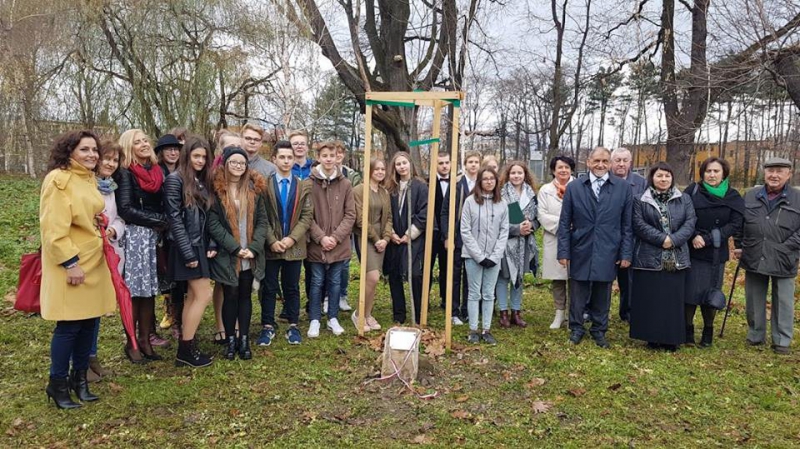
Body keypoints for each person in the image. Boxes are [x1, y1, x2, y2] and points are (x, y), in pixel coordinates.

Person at [40, 130, 116, 409]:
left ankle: (79, 379)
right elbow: (53, 228)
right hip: (72, 264)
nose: (92, 155)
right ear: (69, 150)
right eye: (85, 149)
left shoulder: (88, 179)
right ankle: (57, 383)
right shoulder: (59, 180)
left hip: (95, 260)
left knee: (89, 323)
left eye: (94, 150)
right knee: (70, 326)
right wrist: (70, 263)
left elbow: (86, 212)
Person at [557, 147, 633, 348]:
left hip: (609, 247)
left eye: (605, 161)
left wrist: (626, 253)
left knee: (603, 290)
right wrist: (563, 251)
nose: (601, 165)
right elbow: (564, 223)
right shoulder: (575, 187)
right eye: (597, 161)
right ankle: (576, 328)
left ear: (610, 164)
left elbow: (627, 225)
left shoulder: (622, 188)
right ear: (588, 162)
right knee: (578, 290)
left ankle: (599, 329)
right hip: (580, 245)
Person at [207, 147, 268, 360]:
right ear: (225, 164)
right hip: (229, 254)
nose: (238, 167)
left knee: (245, 295)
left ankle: (244, 338)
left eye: (242, 163)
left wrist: (253, 249)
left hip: (249, 255)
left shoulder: (254, 190)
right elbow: (213, 223)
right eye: (234, 162)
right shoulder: (217, 191)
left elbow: (262, 222)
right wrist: (234, 247)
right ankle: (230, 339)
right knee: (229, 295)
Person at [735, 157, 800, 355]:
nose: (774, 175)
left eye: (780, 171)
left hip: (784, 255)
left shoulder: (798, 198)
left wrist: (788, 247)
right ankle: (756, 334)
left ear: (789, 174)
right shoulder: (751, 195)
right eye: (771, 171)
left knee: (784, 300)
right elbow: (740, 222)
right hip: (754, 252)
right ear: (765, 173)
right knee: (754, 298)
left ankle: (781, 340)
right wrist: (739, 245)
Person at [630, 162, 696, 351]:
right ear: (652, 178)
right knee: (651, 299)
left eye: (667, 176)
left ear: (672, 178)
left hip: (676, 258)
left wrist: (673, 240)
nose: (663, 179)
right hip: (649, 257)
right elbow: (638, 224)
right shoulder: (640, 200)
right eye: (659, 176)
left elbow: (690, 222)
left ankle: (671, 339)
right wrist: (662, 239)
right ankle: (651, 337)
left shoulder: (684, 199)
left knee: (672, 300)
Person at [115, 129, 168, 362]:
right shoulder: (126, 173)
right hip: (136, 235)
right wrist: (158, 221)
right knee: (135, 292)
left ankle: (146, 339)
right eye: (137, 142)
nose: (144, 144)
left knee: (149, 292)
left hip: (153, 237)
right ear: (129, 148)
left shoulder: (156, 171)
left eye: (145, 140)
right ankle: (132, 342)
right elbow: (125, 208)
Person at [163, 137, 217, 367]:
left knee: (194, 297)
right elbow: (174, 220)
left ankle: (187, 346)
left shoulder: (200, 181)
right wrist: (188, 253)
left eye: (204, 157)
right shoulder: (175, 181)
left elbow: (207, 216)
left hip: (200, 245)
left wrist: (211, 244)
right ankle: (186, 348)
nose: (201, 160)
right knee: (204, 295)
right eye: (196, 156)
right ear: (187, 156)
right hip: (186, 247)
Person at [684, 157, 743, 347]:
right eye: (708, 171)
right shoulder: (692, 192)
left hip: (716, 253)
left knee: (711, 294)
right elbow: (682, 216)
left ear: (724, 174)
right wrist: (693, 235)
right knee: (690, 293)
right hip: (693, 250)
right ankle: (687, 330)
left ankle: (708, 330)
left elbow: (735, 223)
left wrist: (709, 238)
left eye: (716, 171)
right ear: (702, 173)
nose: (712, 175)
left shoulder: (733, 196)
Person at [260, 140, 313, 346]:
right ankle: (267, 325)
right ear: (274, 159)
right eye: (282, 157)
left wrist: (291, 238)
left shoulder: (303, 186)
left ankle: (293, 324)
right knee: (269, 286)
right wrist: (272, 240)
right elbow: (260, 215)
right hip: (271, 245)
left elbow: (307, 216)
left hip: (294, 246)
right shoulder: (264, 185)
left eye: (289, 157)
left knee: (291, 286)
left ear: (294, 159)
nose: (286, 161)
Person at [85, 139, 126, 383]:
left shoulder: (111, 187)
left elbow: (119, 217)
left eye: (115, 160)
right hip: (88, 254)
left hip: (108, 252)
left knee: (96, 309)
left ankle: (92, 358)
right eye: (107, 158)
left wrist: (113, 229)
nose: (110, 163)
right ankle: (80, 363)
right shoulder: (86, 186)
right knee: (83, 311)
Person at [306, 141, 356, 337]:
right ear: (318, 157)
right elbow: (306, 215)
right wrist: (321, 237)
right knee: (317, 281)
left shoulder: (346, 184)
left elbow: (350, 214)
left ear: (338, 157)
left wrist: (335, 238)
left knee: (335, 282)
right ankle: (315, 319)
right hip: (317, 245)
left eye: (332, 155)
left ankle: (333, 317)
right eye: (324, 155)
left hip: (339, 244)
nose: (328, 159)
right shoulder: (308, 184)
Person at [461, 167, 509, 344]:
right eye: (485, 179)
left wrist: (495, 255)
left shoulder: (502, 203)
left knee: (489, 293)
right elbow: (465, 231)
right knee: (474, 293)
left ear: (496, 182)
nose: (489, 181)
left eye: (492, 179)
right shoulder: (469, 202)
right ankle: (473, 329)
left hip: (494, 257)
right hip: (473, 256)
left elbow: (504, 231)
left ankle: (486, 329)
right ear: (479, 181)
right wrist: (479, 256)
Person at [385, 151, 428, 325]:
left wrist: (410, 234)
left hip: (413, 238)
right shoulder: (391, 188)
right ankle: (399, 314)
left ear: (410, 164)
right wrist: (393, 233)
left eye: (404, 163)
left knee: (415, 274)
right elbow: (387, 213)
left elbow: (424, 212)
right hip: (394, 237)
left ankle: (418, 314)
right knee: (394, 274)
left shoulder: (420, 186)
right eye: (398, 164)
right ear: (394, 167)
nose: (402, 167)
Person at [439, 152, 481, 323]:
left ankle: (468, 309)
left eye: (476, 162)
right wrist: (447, 236)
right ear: (464, 164)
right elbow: (445, 212)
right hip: (458, 236)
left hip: (478, 237)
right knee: (455, 273)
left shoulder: (484, 184)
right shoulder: (456, 184)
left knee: (471, 275)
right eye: (470, 162)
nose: (473, 165)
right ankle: (454, 311)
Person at [352, 158, 393, 332]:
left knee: (373, 280)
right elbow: (360, 218)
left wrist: (386, 238)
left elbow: (389, 217)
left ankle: (368, 314)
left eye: (383, 169)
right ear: (369, 170)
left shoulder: (384, 192)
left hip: (381, 239)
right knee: (373, 276)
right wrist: (376, 239)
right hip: (366, 237)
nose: (380, 172)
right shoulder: (359, 190)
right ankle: (358, 314)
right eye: (376, 169)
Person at [496, 161, 539, 328]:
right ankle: (503, 312)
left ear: (525, 175)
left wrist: (532, 225)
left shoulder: (531, 193)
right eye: (513, 173)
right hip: (506, 243)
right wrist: (516, 229)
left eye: (519, 173)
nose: (516, 176)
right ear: (508, 175)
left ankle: (516, 311)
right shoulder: (502, 194)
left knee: (519, 278)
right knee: (504, 277)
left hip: (525, 242)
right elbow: (498, 221)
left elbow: (538, 219)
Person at [610, 147, 648, 322]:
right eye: (617, 160)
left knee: (628, 278)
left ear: (630, 163)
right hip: (608, 236)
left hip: (632, 237)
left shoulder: (641, 183)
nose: (621, 164)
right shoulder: (604, 181)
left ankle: (628, 312)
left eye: (625, 160)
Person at [538, 156, 575, 329]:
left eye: (567, 167)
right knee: (558, 278)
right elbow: (542, 215)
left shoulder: (579, 187)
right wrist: (565, 223)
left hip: (576, 238)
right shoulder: (545, 190)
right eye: (559, 167)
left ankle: (574, 315)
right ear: (553, 170)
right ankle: (559, 314)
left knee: (575, 278)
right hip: (555, 237)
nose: (563, 170)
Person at [154, 133, 185, 339]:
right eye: (168, 149)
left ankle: (180, 319)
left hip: (181, 230)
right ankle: (170, 312)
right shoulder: (157, 173)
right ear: (161, 152)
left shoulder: (186, 172)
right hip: (162, 229)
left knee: (180, 279)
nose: (173, 152)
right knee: (166, 275)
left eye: (176, 149)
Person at [430, 153, 460, 323]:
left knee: (446, 267)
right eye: (440, 163)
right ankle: (425, 299)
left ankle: (445, 299)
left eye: (447, 162)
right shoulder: (428, 184)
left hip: (449, 234)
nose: (444, 166)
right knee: (429, 267)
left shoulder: (457, 184)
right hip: (432, 233)